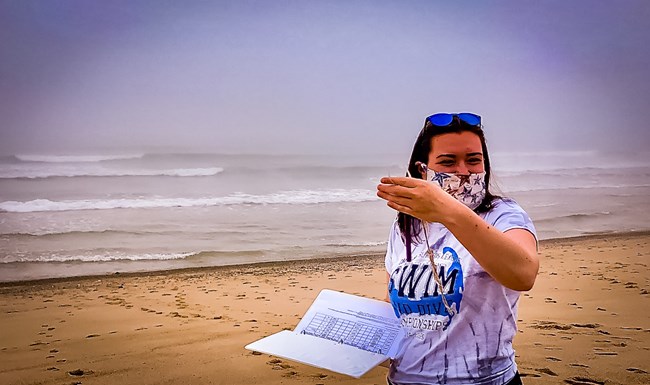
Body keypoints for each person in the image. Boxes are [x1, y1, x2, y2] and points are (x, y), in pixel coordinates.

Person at [376, 112, 538, 385]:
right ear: (421, 170)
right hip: (404, 379)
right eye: (448, 162)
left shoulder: (504, 215)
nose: (463, 171)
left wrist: (448, 211)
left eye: (473, 160)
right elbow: (399, 305)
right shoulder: (405, 226)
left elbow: (523, 273)